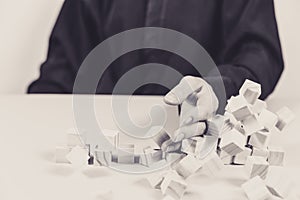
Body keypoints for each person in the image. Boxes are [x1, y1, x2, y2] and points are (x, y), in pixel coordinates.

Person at [28, 0, 284, 142]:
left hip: (202, 146)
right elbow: (60, 74)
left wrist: (218, 89)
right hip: (105, 140)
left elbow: (260, 57)